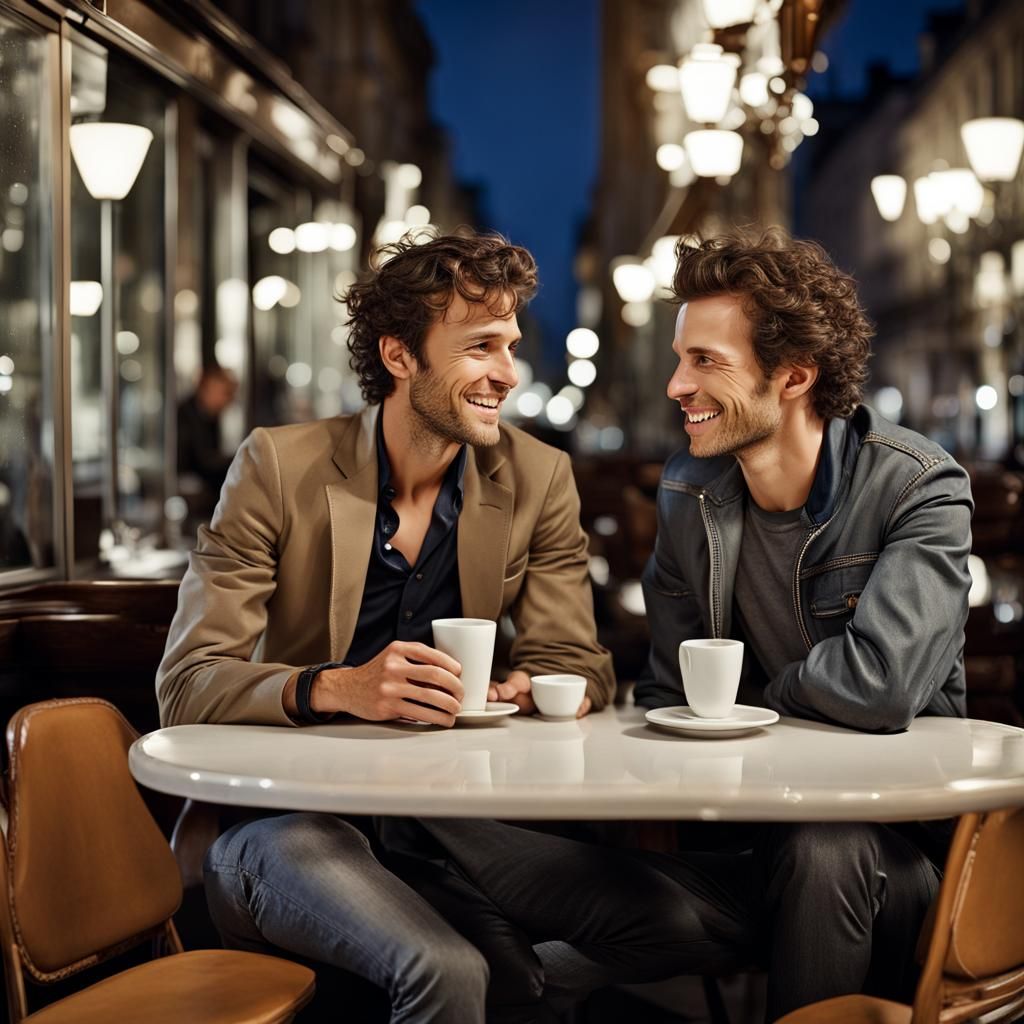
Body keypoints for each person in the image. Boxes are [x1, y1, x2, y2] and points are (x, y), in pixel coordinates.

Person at [157, 230, 630, 1023]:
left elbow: (573, 655)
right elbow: (187, 683)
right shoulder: (279, 465)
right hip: (278, 825)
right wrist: (340, 688)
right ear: (401, 356)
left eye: (510, 345)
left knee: (661, 926)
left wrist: (542, 686)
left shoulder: (537, 475)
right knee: (446, 972)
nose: (507, 374)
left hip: (440, 825)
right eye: (480, 346)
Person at [632, 228, 974, 1019]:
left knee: (827, 848)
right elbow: (666, 692)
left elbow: (883, 686)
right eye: (681, 357)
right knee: (481, 861)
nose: (676, 385)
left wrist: (753, 701)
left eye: (705, 361)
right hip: (748, 835)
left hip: (901, 847)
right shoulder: (689, 492)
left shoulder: (917, 486)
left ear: (793, 374)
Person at [176, 364, 238, 515]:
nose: (228, 400)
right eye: (224, 393)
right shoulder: (185, 415)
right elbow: (203, 461)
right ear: (205, 389)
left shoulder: (209, 416)